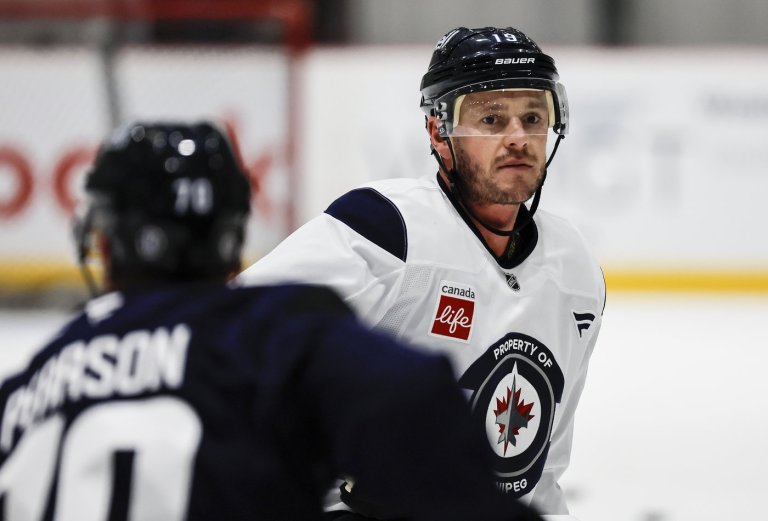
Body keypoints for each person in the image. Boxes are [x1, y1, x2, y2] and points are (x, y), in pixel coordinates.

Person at [0, 122, 541, 521]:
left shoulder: (29, 386)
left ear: (101, 243)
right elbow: (415, 393)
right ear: (233, 236)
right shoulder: (272, 334)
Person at [238, 26, 605, 518]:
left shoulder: (574, 266)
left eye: (533, 118)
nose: (518, 138)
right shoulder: (388, 228)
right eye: (491, 119)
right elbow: (230, 333)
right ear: (439, 133)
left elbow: (542, 468)